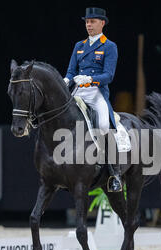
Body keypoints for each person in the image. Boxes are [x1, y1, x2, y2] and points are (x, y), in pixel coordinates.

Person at [64, 7, 122, 192]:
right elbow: (71, 71)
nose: (89, 25)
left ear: (102, 23)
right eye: (87, 21)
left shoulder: (109, 46)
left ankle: (114, 173)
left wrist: (90, 79)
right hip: (78, 91)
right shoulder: (79, 46)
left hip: (96, 92)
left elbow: (109, 75)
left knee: (104, 125)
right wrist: (65, 80)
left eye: (93, 21)